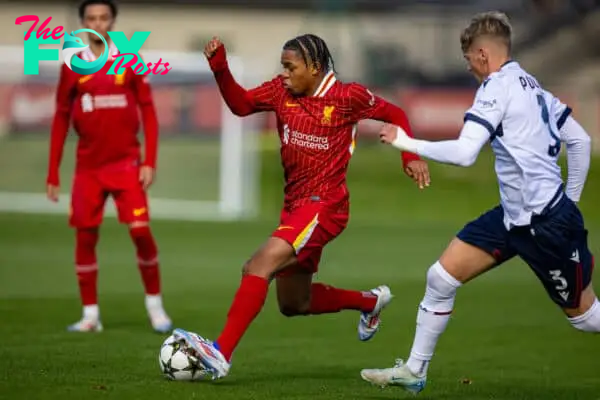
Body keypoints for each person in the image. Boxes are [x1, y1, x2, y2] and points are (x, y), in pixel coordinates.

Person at [360, 11, 595, 394]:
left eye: (469, 58)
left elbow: (465, 153)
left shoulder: (496, 88)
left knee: (584, 318)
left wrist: (406, 142)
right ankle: (414, 370)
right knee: (441, 277)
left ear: (483, 54)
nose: (468, 67)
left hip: (546, 226)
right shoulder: (533, 86)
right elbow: (580, 141)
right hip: (515, 217)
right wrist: (571, 200)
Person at [173, 34, 430, 379]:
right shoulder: (282, 93)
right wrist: (220, 67)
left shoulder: (346, 96)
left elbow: (395, 113)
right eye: (282, 67)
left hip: (325, 206)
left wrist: (409, 155)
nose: (283, 74)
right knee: (294, 304)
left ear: (314, 67)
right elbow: (241, 105)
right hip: (296, 207)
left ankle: (221, 352)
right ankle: (369, 302)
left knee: (258, 265)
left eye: (290, 67)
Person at [46, 0, 172, 333]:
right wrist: (53, 172)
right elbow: (60, 115)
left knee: (141, 232)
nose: (98, 23)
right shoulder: (72, 62)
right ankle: (90, 316)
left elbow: (149, 110)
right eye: (91, 18)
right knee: (85, 238)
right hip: (88, 169)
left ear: (112, 21)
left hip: (126, 165)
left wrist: (150, 161)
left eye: (104, 17)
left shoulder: (128, 57)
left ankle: (155, 307)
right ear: (82, 23)